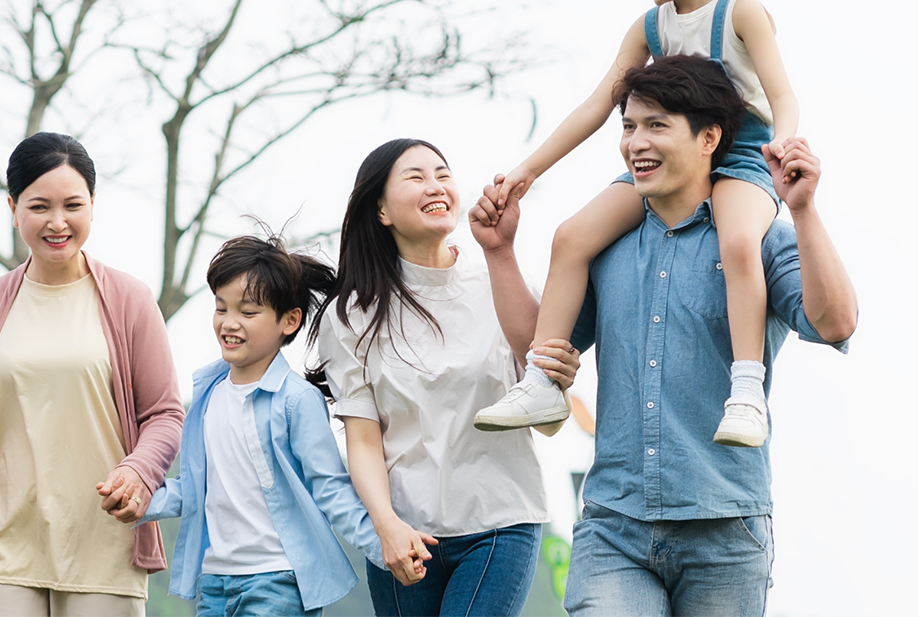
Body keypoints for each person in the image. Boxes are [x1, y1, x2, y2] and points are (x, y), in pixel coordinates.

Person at [475, 0, 801, 448]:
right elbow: (598, 105)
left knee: (737, 243)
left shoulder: (741, 11)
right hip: (666, 161)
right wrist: (529, 170)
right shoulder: (651, 26)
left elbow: (782, 96)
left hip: (744, 157)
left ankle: (747, 392)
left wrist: (786, 145)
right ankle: (544, 379)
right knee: (571, 236)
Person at [528, 56, 855, 615]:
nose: (635, 142)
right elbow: (541, 353)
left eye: (656, 125)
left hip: (725, 532)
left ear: (709, 138)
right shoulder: (602, 247)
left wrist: (803, 211)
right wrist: (498, 253)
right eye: (628, 126)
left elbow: (835, 323)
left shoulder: (756, 239)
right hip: (614, 527)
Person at [0, 132, 184, 617]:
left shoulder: (131, 300)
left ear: (93, 205)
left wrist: (138, 472)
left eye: (72, 205)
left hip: (103, 540)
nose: (57, 222)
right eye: (39, 206)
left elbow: (163, 414)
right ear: (14, 208)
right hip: (2, 542)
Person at [308, 138, 576, 617]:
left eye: (442, 174)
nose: (435, 186)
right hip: (406, 534)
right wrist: (385, 525)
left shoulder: (498, 281)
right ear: (381, 211)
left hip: (500, 523)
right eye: (415, 177)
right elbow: (363, 439)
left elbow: (549, 420)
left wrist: (560, 381)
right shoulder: (350, 315)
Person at [124, 233, 383, 616]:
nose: (229, 323)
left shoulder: (297, 400)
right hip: (213, 583)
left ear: (290, 320)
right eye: (221, 308)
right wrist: (141, 501)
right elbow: (197, 488)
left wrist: (383, 545)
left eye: (247, 313)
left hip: (277, 581)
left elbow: (329, 487)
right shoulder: (207, 397)